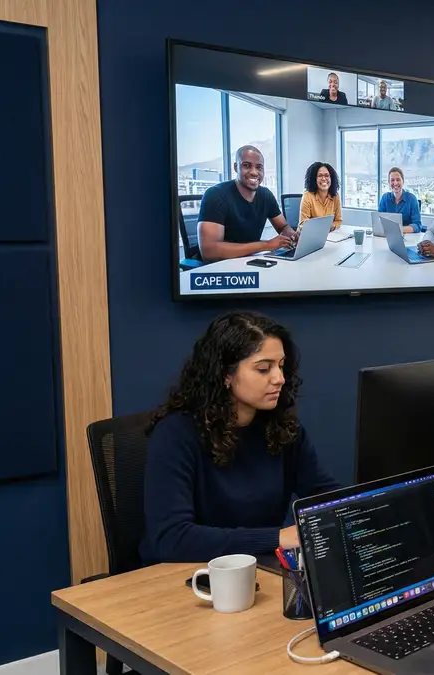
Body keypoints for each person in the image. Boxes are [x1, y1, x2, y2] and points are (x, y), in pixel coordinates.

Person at [141, 312, 342, 564]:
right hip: (187, 577)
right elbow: (171, 539)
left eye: (281, 365)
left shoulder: (283, 428)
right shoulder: (175, 434)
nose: (279, 378)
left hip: (257, 568)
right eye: (263, 368)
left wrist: (358, 511)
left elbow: (324, 492)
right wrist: (277, 538)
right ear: (226, 374)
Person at [197, 145, 296, 263]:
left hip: (249, 261)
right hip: (219, 268)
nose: (254, 172)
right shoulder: (215, 195)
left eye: (259, 167)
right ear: (236, 167)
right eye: (247, 166)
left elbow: (283, 227)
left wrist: (294, 236)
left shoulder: (266, 195)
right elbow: (209, 252)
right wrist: (266, 245)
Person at [377, 167, 423, 233]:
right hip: (387, 237)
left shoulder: (412, 199)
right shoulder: (385, 198)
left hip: (408, 238)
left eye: (398, 180)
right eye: (392, 180)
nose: (395, 183)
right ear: (389, 183)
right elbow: (379, 221)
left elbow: (418, 226)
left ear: (403, 181)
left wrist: (398, 229)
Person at [298, 162, 342, 232]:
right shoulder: (307, 196)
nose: (324, 179)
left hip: (330, 236)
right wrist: (322, 227)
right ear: (314, 179)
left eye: (327, 175)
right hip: (310, 236)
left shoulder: (335, 196)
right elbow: (303, 225)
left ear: (331, 178)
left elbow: (338, 221)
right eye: (320, 176)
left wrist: (332, 225)